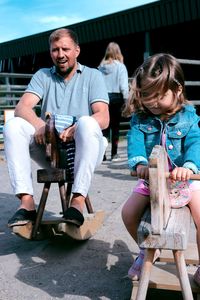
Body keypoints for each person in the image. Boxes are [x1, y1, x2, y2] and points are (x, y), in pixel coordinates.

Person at [3, 28, 109, 228]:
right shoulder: (43, 75)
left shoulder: (93, 75)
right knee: (13, 125)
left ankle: (76, 203)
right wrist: (42, 126)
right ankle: (26, 204)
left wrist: (76, 127)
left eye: (65, 49)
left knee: (88, 122)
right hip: (51, 151)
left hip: (84, 149)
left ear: (77, 50)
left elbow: (103, 117)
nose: (60, 55)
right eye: (55, 50)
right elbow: (22, 107)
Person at [121, 53, 200, 286]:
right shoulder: (140, 118)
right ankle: (146, 250)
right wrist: (139, 164)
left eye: (159, 95)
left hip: (185, 180)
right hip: (152, 179)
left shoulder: (189, 118)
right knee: (128, 213)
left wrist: (189, 166)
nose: (152, 102)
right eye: (146, 95)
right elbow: (135, 141)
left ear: (177, 90)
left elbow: (195, 142)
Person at [98, 42, 129, 161]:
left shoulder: (100, 68)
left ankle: (102, 155)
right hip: (116, 98)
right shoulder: (120, 67)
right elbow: (123, 86)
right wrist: (126, 100)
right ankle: (114, 154)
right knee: (115, 127)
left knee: (103, 127)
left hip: (102, 98)